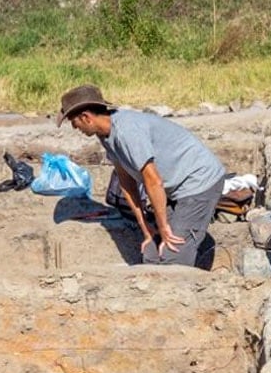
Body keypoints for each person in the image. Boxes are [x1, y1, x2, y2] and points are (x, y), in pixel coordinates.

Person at [58, 84, 226, 266]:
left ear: (86, 117)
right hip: (175, 188)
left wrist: (162, 227)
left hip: (199, 181)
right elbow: (126, 182)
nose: (75, 128)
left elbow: (153, 181)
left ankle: (193, 266)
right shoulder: (105, 135)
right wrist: (146, 228)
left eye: (74, 122)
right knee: (151, 255)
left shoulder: (127, 131)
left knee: (173, 256)